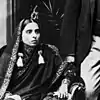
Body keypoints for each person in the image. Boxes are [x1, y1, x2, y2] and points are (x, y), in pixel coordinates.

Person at [0, 7, 84, 100]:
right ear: (20, 34)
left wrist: (64, 84)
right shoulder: (7, 55)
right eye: (29, 32)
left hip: (41, 96)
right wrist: (8, 95)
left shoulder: (48, 52)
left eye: (37, 31)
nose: (34, 36)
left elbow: (68, 69)